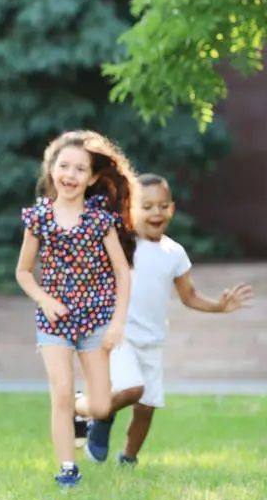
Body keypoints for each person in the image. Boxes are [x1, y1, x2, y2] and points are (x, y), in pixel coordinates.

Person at [77, 173, 253, 465]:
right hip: (120, 335)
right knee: (132, 389)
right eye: (147, 206)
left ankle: (128, 459)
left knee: (146, 408)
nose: (156, 212)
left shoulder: (175, 253)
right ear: (131, 209)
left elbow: (190, 296)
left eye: (162, 205)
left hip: (153, 341)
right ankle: (97, 416)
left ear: (172, 207)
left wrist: (220, 307)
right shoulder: (122, 244)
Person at [15, 130, 136, 487]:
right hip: (55, 322)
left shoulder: (101, 221)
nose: (70, 175)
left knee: (100, 406)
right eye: (63, 166)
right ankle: (68, 469)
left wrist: (116, 324)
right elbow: (23, 272)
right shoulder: (39, 218)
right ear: (52, 170)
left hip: (97, 320)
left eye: (80, 169)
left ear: (93, 177)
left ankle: (82, 415)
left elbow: (122, 274)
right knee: (61, 391)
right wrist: (44, 299)